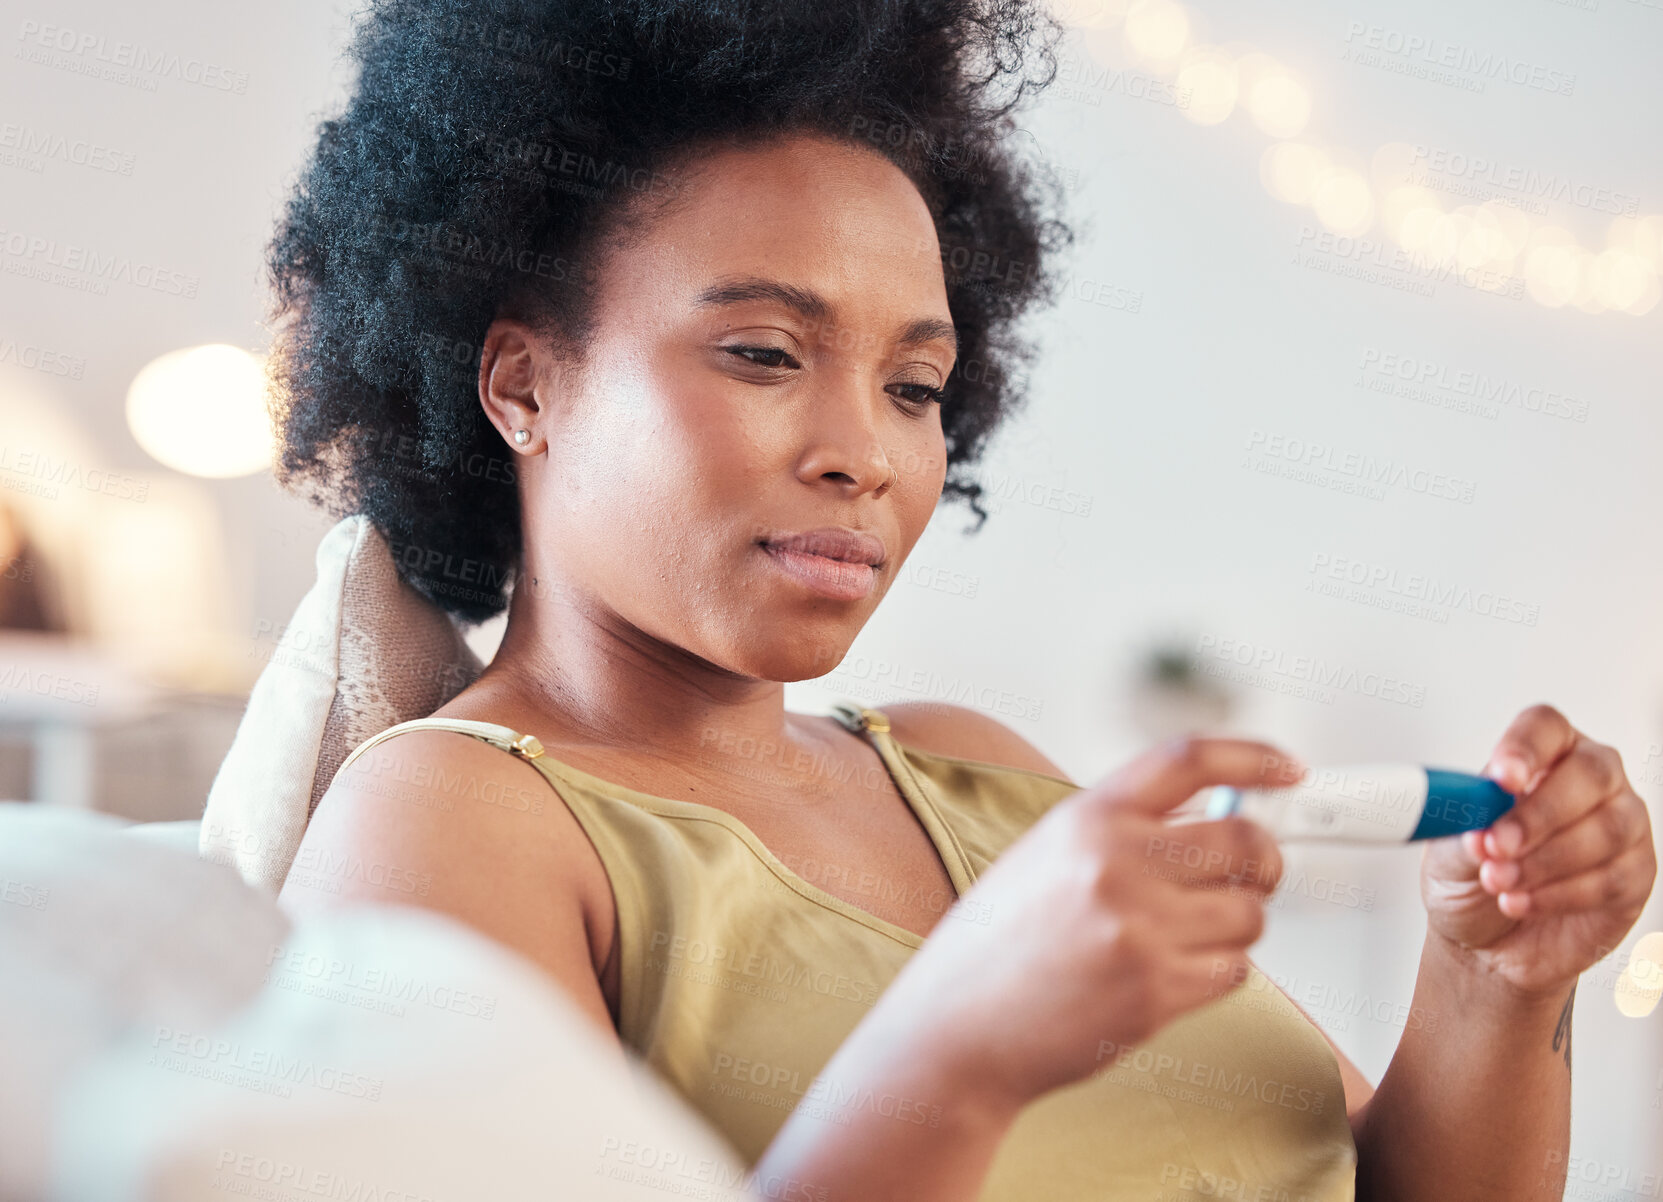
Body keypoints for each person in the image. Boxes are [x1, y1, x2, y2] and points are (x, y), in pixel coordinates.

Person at [269, 1, 1657, 1198]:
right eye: (762, 351)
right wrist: (963, 1044)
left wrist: (1499, 972)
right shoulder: (451, 820)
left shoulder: (970, 764)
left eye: (916, 387)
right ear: (522, 384)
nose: (863, 453)